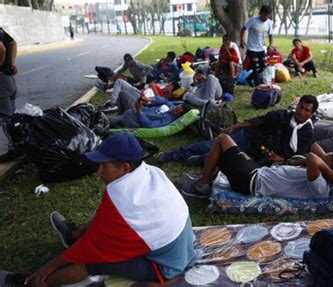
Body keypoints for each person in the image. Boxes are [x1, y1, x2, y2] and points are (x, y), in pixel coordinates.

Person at [2, 134, 196, 285]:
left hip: (166, 265)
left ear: (125, 167)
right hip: (177, 246)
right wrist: (82, 234)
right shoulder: (150, 172)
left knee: (90, 263)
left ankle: (32, 282)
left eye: (104, 166)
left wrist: (47, 267)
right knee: (101, 223)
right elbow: (106, 218)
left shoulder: (123, 202)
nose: (98, 172)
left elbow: (92, 249)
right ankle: (75, 234)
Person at [157, 95, 317, 166]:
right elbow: (256, 121)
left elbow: (299, 155)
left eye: (306, 110)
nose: (301, 112)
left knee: (230, 163)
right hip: (247, 137)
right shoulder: (282, 115)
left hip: (262, 156)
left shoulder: (307, 133)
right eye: (300, 107)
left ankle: (200, 160)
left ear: (312, 114)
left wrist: (280, 159)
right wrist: (233, 127)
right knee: (211, 145)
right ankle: (172, 155)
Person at [180, 134, 333, 199]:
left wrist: (330, 173)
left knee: (223, 139)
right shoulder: (320, 173)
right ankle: (207, 178)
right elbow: (314, 146)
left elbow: (312, 157)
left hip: (251, 180)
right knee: (239, 152)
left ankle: (202, 185)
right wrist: (329, 166)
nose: (324, 156)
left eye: (327, 158)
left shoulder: (321, 186)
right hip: (256, 173)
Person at [109, 91, 189, 128]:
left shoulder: (167, 119)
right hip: (138, 108)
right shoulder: (172, 107)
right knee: (123, 94)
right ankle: (120, 114)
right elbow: (164, 100)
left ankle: (119, 120)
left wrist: (139, 111)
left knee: (105, 120)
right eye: (176, 107)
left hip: (134, 118)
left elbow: (150, 125)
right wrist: (150, 99)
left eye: (176, 111)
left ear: (179, 116)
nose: (173, 109)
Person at [240, 5, 273, 86]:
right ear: (261, 13)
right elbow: (243, 29)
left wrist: (270, 45)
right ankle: (258, 86)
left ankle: (249, 78)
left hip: (261, 48)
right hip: (251, 48)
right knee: (256, 68)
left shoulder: (269, 22)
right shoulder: (253, 20)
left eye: (268, 15)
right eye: (265, 15)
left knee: (262, 67)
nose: (266, 17)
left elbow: (271, 35)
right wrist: (241, 40)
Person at [0, 27, 20, 163]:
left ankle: (15, 149)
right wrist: (12, 63)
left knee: (6, 118)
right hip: (8, 78)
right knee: (11, 115)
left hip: (1, 81)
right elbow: (12, 43)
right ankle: (19, 145)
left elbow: (1, 49)